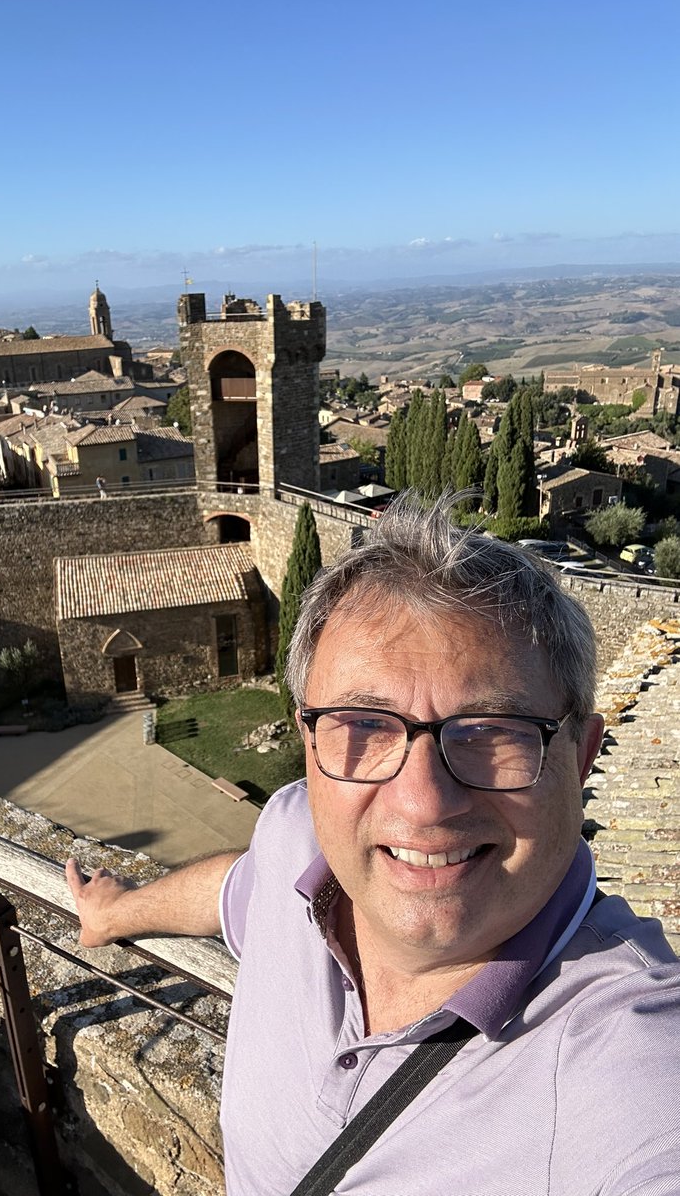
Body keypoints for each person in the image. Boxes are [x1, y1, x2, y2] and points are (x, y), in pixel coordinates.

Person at [66, 494, 680, 1195]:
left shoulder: (628, 1056)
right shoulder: (298, 838)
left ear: (580, 756)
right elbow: (238, 888)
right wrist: (116, 913)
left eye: (492, 731)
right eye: (364, 725)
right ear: (309, 744)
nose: (423, 802)